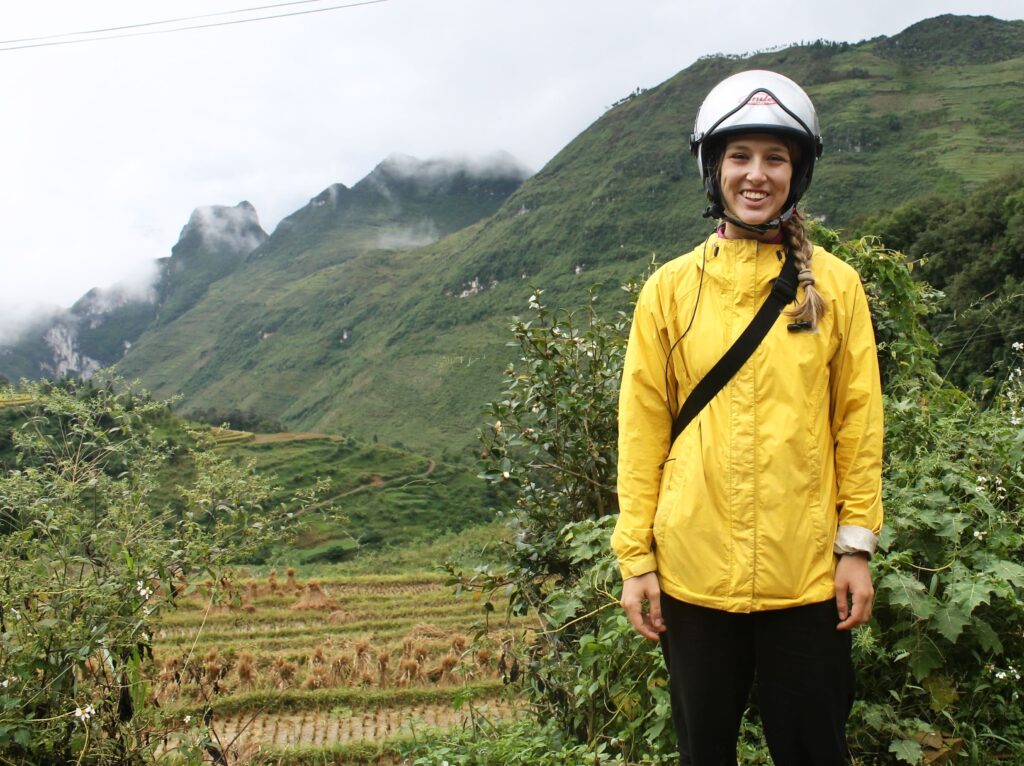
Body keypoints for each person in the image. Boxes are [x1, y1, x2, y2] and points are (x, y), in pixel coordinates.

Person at [611, 70, 883, 766]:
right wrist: (636, 560)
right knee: (706, 753)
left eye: (775, 158)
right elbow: (642, 431)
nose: (756, 175)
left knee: (816, 751)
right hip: (693, 576)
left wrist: (856, 548)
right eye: (739, 157)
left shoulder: (836, 287)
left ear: (799, 170)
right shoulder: (669, 290)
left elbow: (858, 423)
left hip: (808, 576)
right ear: (713, 167)